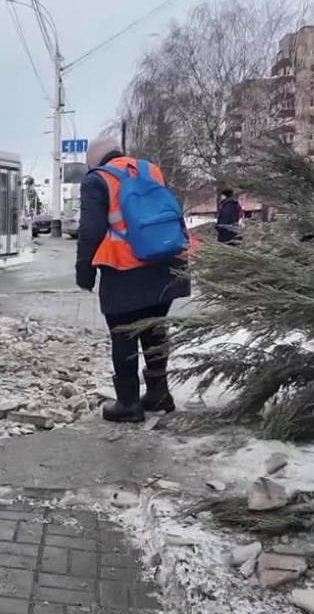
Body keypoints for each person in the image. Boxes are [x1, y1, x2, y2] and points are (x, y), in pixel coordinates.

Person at [76, 136, 194, 424]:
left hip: (125, 270)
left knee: (124, 335)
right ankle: (159, 395)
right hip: (166, 262)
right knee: (155, 330)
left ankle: (128, 404)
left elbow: (90, 231)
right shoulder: (149, 170)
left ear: (93, 163)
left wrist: (85, 273)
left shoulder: (97, 180)